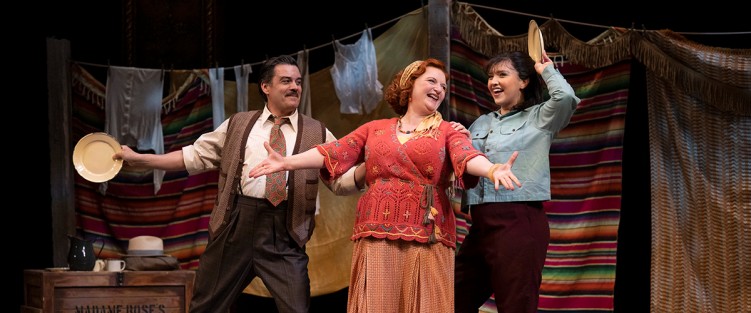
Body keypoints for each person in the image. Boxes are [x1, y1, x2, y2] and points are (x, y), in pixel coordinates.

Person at [249, 58, 521, 313]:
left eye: (443, 86)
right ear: (409, 84)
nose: (439, 89)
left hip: (427, 232)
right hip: (376, 231)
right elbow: (333, 152)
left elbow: (466, 156)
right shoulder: (375, 129)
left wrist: (492, 169)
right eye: (431, 81)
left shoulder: (447, 131)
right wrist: (286, 162)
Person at [113, 55, 365, 313]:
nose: (295, 87)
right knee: (205, 307)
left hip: (285, 229)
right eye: (286, 81)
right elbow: (193, 156)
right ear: (266, 87)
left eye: (298, 82)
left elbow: (339, 181)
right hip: (235, 226)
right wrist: (143, 160)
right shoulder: (239, 124)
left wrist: (369, 169)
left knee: (297, 308)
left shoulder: (317, 132)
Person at [454, 50, 581, 313]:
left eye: (502, 74)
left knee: (516, 307)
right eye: (490, 76)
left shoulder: (540, 117)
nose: (493, 82)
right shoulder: (481, 122)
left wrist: (545, 69)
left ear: (523, 81)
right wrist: (456, 138)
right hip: (480, 224)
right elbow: (465, 165)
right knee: (449, 301)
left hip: (519, 221)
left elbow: (566, 97)